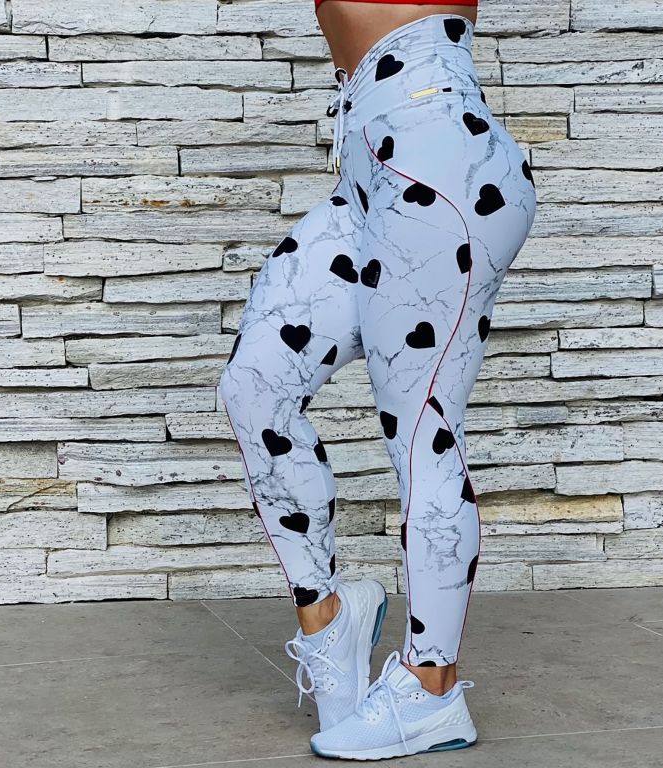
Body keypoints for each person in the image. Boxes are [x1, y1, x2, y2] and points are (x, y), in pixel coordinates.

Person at [218, 0, 537, 760]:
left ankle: (432, 690)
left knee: (421, 428)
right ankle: (331, 618)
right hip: (368, 164)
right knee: (256, 383)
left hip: (437, 155)